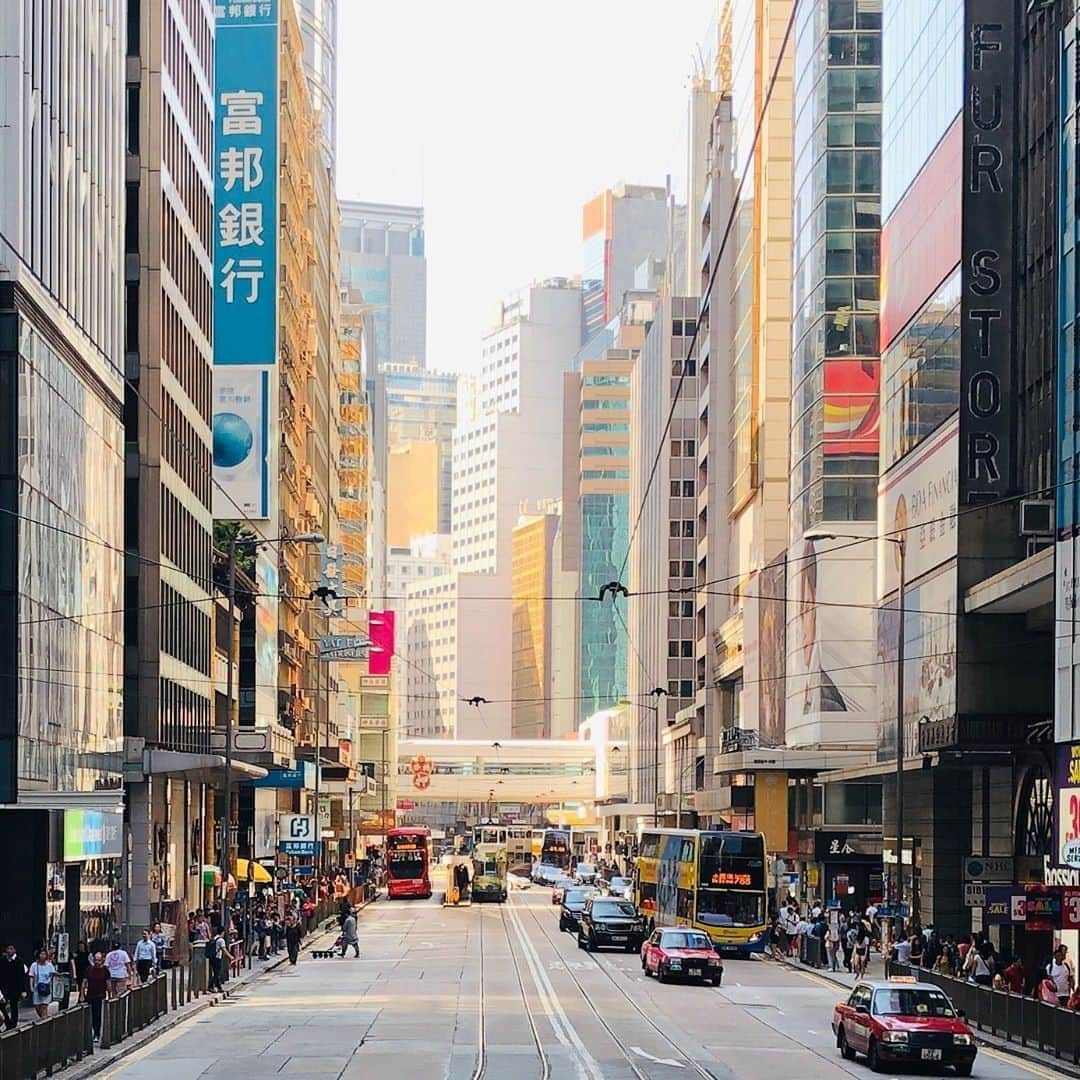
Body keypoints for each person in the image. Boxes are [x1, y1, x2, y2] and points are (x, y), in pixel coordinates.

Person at [80, 952, 109, 1042]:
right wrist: (82, 995)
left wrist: (110, 995)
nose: (97, 962)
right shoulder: (89, 969)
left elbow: (108, 984)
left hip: (100, 995)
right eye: (95, 960)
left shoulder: (105, 970)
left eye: (99, 960)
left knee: (97, 1015)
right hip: (90, 995)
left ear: (102, 960)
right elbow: (84, 982)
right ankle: (89, 1033)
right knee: (90, 1015)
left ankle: (97, 1033)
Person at [0, 944, 27, 1030]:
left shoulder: (19, 961)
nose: (9, 950)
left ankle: (13, 1024)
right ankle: (8, 1022)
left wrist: (23, 990)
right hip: (4, 987)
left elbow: (22, 976)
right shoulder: (2, 960)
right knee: (2, 1005)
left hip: (15, 987)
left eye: (11, 949)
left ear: (14, 950)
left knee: (13, 1005)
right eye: (8, 949)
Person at [28, 948, 55, 1019]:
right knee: (37, 1007)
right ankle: (45, 1019)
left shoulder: (49, 965)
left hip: (46, 988)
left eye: (44, 954)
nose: (43, 956)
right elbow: (31, 976)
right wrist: (31, 986)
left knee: (44, 1006)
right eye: (41, 954)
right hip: (37, 988)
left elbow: (52, 975)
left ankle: (44, 1021)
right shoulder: (34, 965)